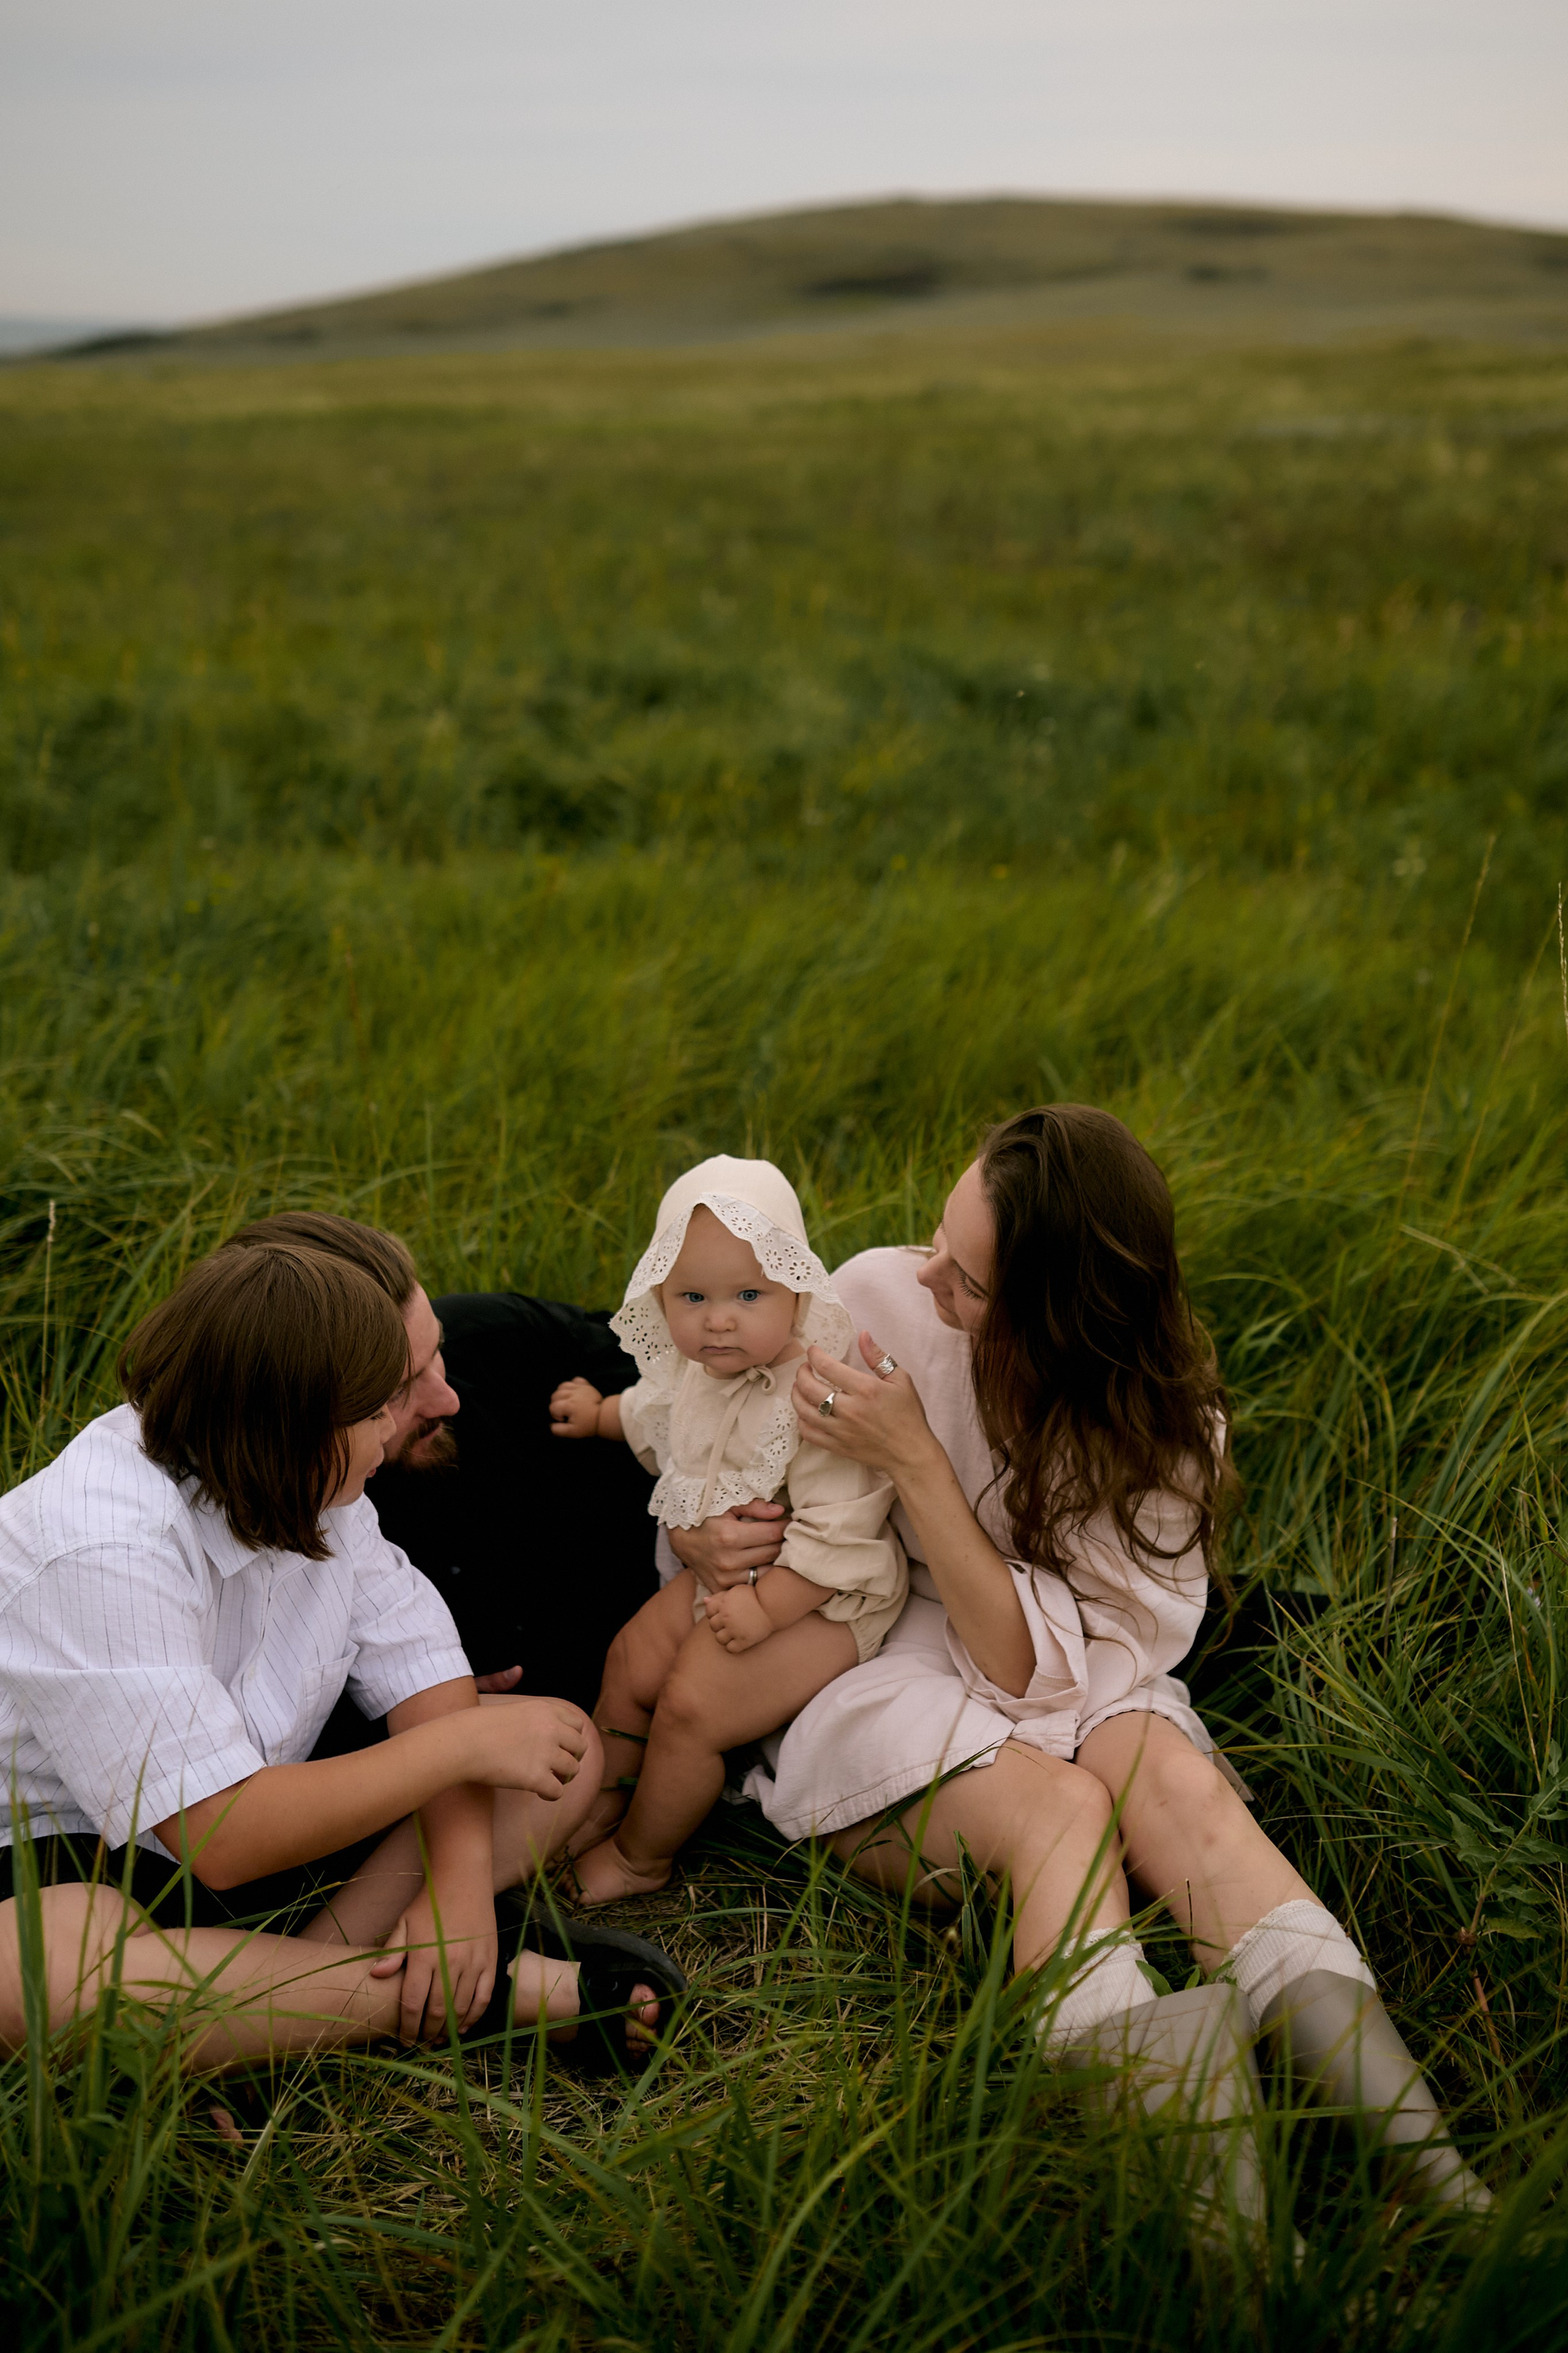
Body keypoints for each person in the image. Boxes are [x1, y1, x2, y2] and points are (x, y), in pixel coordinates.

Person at [679, 1106, 1491, 2233]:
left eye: (968, 1281)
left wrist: (917, 1458)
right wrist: (709, 1534)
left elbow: (1045, 1667)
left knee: (1184, 1791)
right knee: (1061, 1813)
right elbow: (716, 1435)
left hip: (1065, 1666)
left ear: (1057, 1324)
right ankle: (1236, 2255)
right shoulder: (872, 1301)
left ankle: (1441, 2190)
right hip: (876, 1650)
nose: (925, 1278)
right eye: (939, 1239)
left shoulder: (1161, 1439)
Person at [0, 1241, 681, 2070]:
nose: (402, 1423)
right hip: (71, 1857)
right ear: (297, 1428)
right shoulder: (101, 1547)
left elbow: (423, 1664)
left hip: (262, 1831)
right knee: (42, 1972)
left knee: (558, 1751)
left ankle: (279, 2010)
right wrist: (459, 1748)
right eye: (379, 1407)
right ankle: (461, 1999)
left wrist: (458, 1888)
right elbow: (219, 1833)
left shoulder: (315, 1486)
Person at [548, 1158, 907, 1904]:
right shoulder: (696, 1374)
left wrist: (768, 1606)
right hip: (726, 1584)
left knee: (691, 1704)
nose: (718, 1319)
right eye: (693, 1297)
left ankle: (642, 1855)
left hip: (823, 1601)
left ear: (795, 1290)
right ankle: (595, 1803)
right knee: (630, 1659)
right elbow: (656, 1418)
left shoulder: (814, 1395)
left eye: (748, 1295)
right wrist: (601, 1415)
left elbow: (841, 1532)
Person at [222, 1212, 658, 1712]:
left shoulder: (499, 1340)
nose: (448, 1400)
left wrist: (707, 1511)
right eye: (397, 1391)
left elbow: (698, 1376)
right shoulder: (307, 1527)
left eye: (438, 1351)